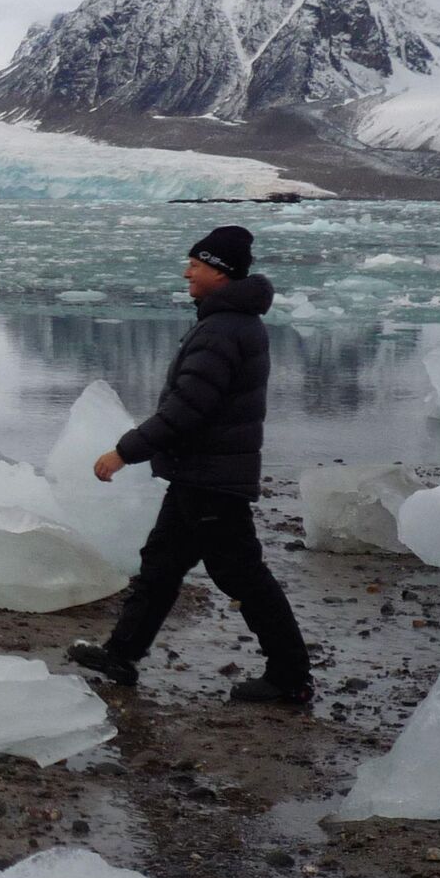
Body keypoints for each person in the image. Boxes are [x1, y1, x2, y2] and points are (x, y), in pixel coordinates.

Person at [67, 225, 314, 704]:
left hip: (211, 478)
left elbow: (188, 408)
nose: (187, 273)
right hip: (198, 473)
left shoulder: (223, 329)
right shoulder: (229, 321)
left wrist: (125, 451)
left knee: (242, 576)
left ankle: (289, 675)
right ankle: (122, 653)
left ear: (220, 273)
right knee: (161, 565)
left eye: (196, 266)